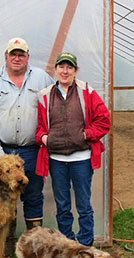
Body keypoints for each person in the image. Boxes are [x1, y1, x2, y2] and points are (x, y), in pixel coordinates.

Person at [0, 37, 54, 255]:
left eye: (21, 54)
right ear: (6, 56)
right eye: (13, 54)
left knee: (33, 194)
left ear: (27, 57)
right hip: (1, 151)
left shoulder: (41, 78)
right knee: (2, 200)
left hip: (31, 150)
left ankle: (35, 246)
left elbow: (55, 105)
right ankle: (5, 246)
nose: (17, 58)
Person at [35, 52, 110, 246]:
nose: (65, 71)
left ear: (75, 71)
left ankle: (85, 244)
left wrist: (85, 135)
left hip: (81, 160)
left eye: (69, 67)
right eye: (62, 67)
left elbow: (104, 120)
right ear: (56, 70)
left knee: (84, 204)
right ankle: (67, 245)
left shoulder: (87, 92)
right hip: (56, 160)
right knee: (63, 205)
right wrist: (45, 138)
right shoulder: (45, 96)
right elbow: (39, 126)